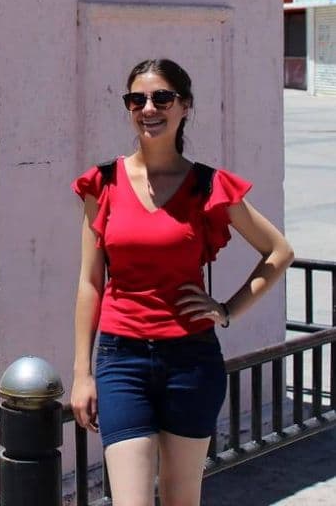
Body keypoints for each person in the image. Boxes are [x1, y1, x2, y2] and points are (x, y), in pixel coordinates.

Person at [70, 58, 293, 506]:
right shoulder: (105, 182)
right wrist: (81, 373)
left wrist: (226, 310)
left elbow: (279, 252)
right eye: (137, 99)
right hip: (122, 359)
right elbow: (90, 282)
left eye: (161, 98)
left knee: (180, 499)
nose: (148, 108)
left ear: (184, 106)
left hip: (191, 360)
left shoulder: (208, 185)